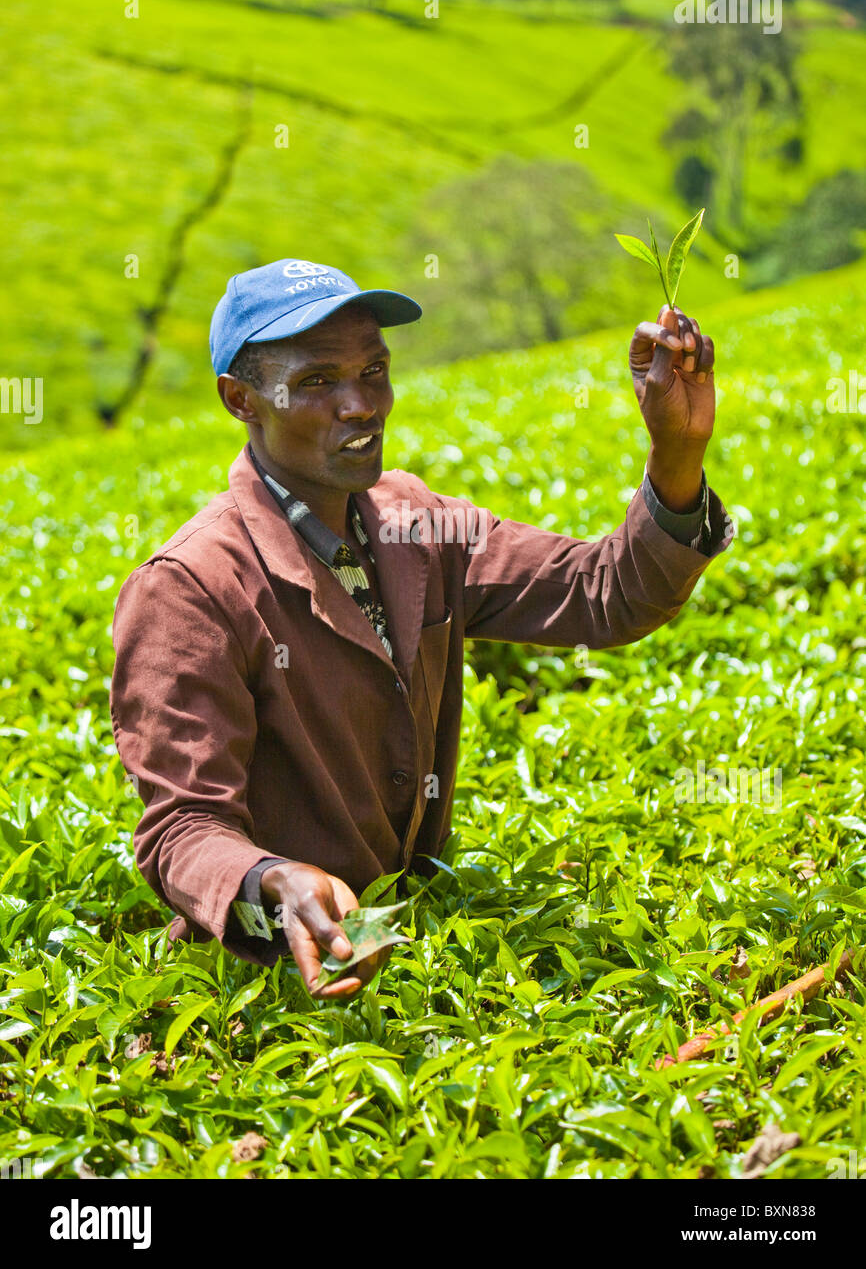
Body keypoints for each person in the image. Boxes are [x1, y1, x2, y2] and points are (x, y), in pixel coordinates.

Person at [110, 257, 732, 1000]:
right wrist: (271, 881)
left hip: (412, 942)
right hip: (269, 981)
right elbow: (181, 828)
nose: (361, 405)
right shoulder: (190, 588)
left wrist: (677, 452)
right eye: (317, 382)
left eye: (373, 371)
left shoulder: (417, 523)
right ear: (241, 400)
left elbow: (604, 595)